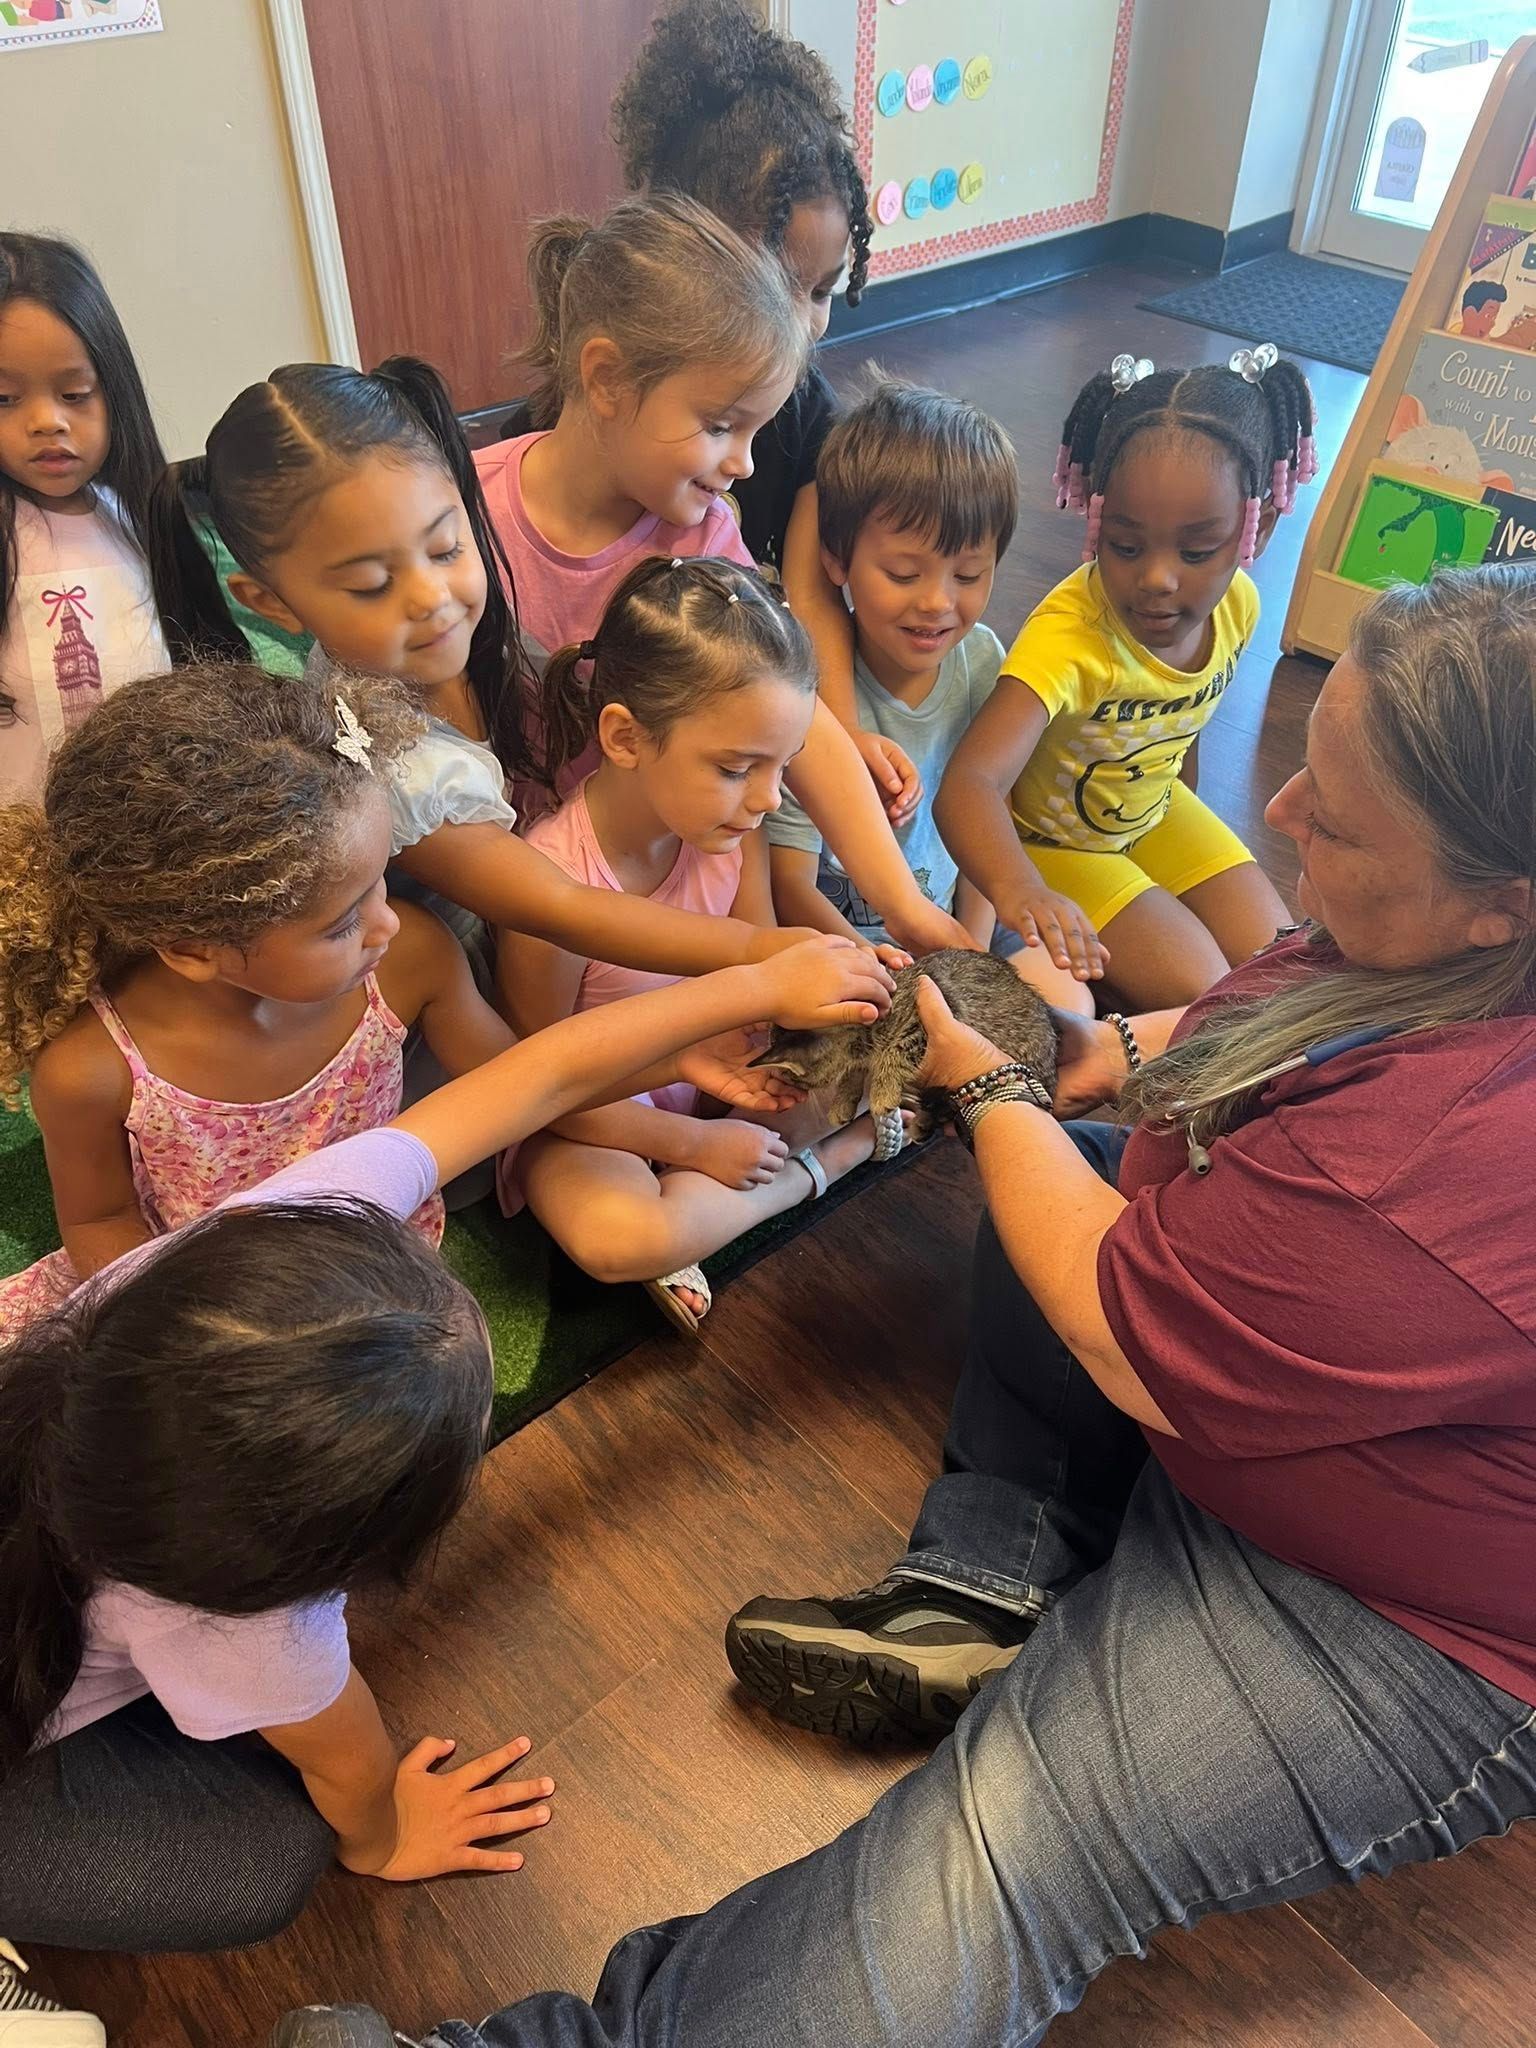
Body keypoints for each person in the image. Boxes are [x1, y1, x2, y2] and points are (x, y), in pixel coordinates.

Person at [282, 565, 1536, 2047]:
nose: (1281, 816)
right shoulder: (1428, 946)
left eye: (1340, 815)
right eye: (1310, 772)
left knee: (1014, 1841)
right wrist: (1112, 1047)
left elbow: (1122, 1325)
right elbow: (1266, 1010)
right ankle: (991, 1582)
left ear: (1498, 913)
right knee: (1065, 1169)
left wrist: (993, 1086)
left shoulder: (1455, 1173)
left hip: (1396, 1614)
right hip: (1264, 1412)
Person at [0, 925, 888, 1974]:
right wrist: (382, 1834)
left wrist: (747, 986)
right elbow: (348, 1764)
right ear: (337, 1551)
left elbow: (532, 1073)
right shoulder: (250, 1624)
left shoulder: (216, 1255)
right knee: (270, 1859)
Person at [144, 357, 887, 1018]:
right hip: (496, 1010)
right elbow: (557, 908)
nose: (431, 597)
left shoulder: (476, 628)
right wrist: (761, 952)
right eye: (372, 584)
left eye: (445, 546)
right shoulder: (381, 761)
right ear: (270, 601)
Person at [476, 192, 970, 956]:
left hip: (675, 858)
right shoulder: (468, 520)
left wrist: (903, 906)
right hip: (535, 903)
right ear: (606, 379)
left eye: (757, 432)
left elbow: (795, 720)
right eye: (719, 426)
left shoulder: (706, 535)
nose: (743, 465)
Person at [0, 664, 515, 1333]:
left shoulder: (410, 960)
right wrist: (203, 1326)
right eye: (341, 924)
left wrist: (670, 1134)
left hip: (372, 1264)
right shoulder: (90, 1071)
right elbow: (100, 1222)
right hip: (196, 1293)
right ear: (192, 950)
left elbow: (519, 1082)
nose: (387, 922)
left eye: (380, 883)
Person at [504, 557, 904, 1334]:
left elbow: (756, 969)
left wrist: (844, 993)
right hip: (598, 1113)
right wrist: (690, 1140)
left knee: (865, 1054)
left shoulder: (729, 832)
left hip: (717, 1080)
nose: (768, 799)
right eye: (735, 768)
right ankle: (830, 1164)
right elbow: (541, 1087)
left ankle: (733, 1193)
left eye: (782, 767)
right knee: (618, 1236)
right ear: (624, 736)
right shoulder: (548, 880)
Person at [605, 0, 917, 828]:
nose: (807, 322)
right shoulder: (605, 422)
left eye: (824, 291)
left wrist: (843, 735)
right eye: (785, 287)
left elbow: (809, 598)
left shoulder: (812, 421)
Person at [937, 350, 1314, 1013]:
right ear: (1096, 519)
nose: (1159, 579)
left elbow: (1183, 724)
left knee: (1285, 970)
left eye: (1196, 553)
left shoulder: (1240, 607)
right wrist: (1021, 890)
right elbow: (969, 784)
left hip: (1155, 811)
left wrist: (1170, 866)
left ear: (1260, 523)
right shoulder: (1069, 637)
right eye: (1126, 546)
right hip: (1052, 846)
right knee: (1213, 1000)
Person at [767, 378, 1020, 955]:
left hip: (956, 935)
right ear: (835, 560)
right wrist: (881, 965)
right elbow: (789, 887)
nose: (937, 602)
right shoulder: (805, 694)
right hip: (846, 948)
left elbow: (988, 820)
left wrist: (972, 959)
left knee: (1071, 1001)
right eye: (904, 575)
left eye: (969, 575)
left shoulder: (982, 661)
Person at [0, 231, 167, 806]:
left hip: (144, 839)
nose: (47, 421)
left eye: (74, 394)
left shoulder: (139, 517)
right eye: (4, 399)